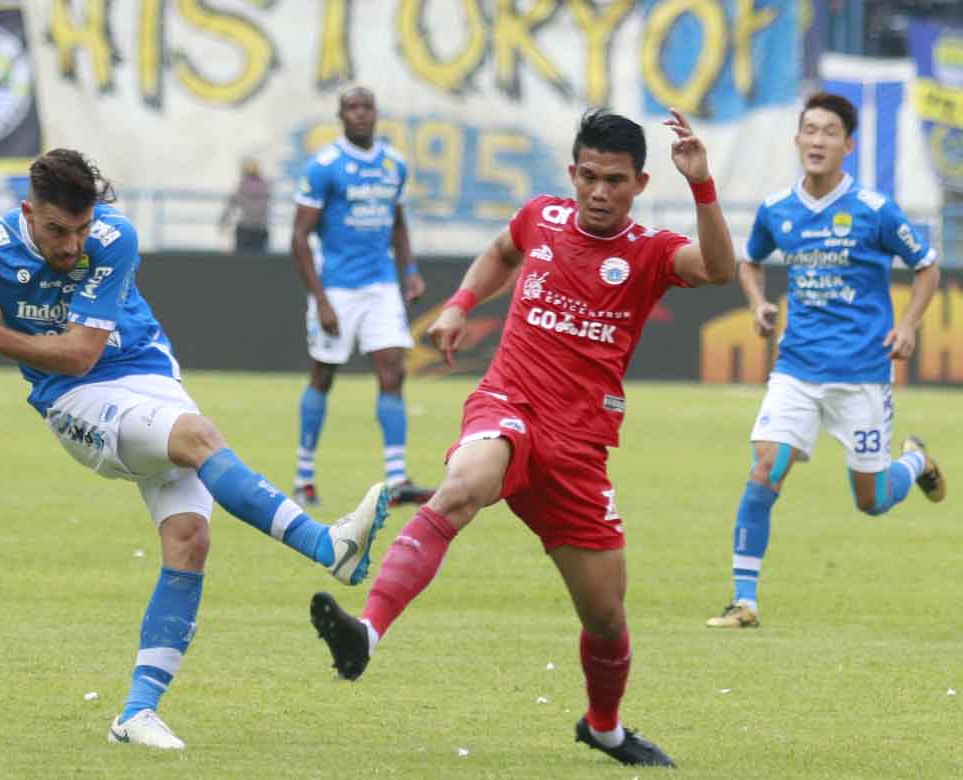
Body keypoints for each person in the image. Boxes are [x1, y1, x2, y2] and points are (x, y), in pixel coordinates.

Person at [0, 148, 390, 751]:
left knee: (189, 539)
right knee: (199, 439)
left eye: (81, 229)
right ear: (30, 213)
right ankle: (326, 545)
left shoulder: (114, 238)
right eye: (58, 230)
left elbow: (81, 347)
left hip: (146, 376)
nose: (72, 245)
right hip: (75, 400)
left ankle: (136, 714)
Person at [308, 108, 737, 768]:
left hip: (578, 451)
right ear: (572, 172)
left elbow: (717, 268)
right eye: (588, 176)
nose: (599, 191)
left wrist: (703, 185)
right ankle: (365, 632)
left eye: (615, 181)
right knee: (461, 488)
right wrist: (458, 303)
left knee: (606, 618)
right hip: (508, 407)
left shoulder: (648, 252)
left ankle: (604, 728)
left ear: (640, 183)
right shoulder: (542, 217)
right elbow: (502, 251)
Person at [706, 92, 946, 630]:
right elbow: (749, 261)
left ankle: (915, 461)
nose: (817, 140)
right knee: (766, 468)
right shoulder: (777, 210)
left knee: (872, 500)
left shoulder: (875, 210)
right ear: (797, 139)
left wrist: (907, 325)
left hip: (862, 374)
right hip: (796, 369)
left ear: (848, 144)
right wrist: (759, 303)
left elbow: (927, 267)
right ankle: (745, 600)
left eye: (829, 132)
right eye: (809, 130)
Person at [290, 85, 434, 509]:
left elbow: (398, 223)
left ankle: (396, 480)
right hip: (336, 287)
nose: (359, 113)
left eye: (366, 106)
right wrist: (320, 299)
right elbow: (299, 237)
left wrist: (409, 271)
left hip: (381, 286)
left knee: (393, 371)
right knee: (324, 374)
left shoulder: (394, 164)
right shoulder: (324, 166)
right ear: (341, 116)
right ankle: (304, 477)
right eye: (351, 108)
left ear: (376, 113)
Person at [219, 157, 272, 253]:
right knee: (259, 261)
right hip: (261, 229)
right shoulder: (266, 186)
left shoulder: (242, 185)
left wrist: (223, 221)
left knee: (241, 261)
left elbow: (231, 205)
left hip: (245, 229)